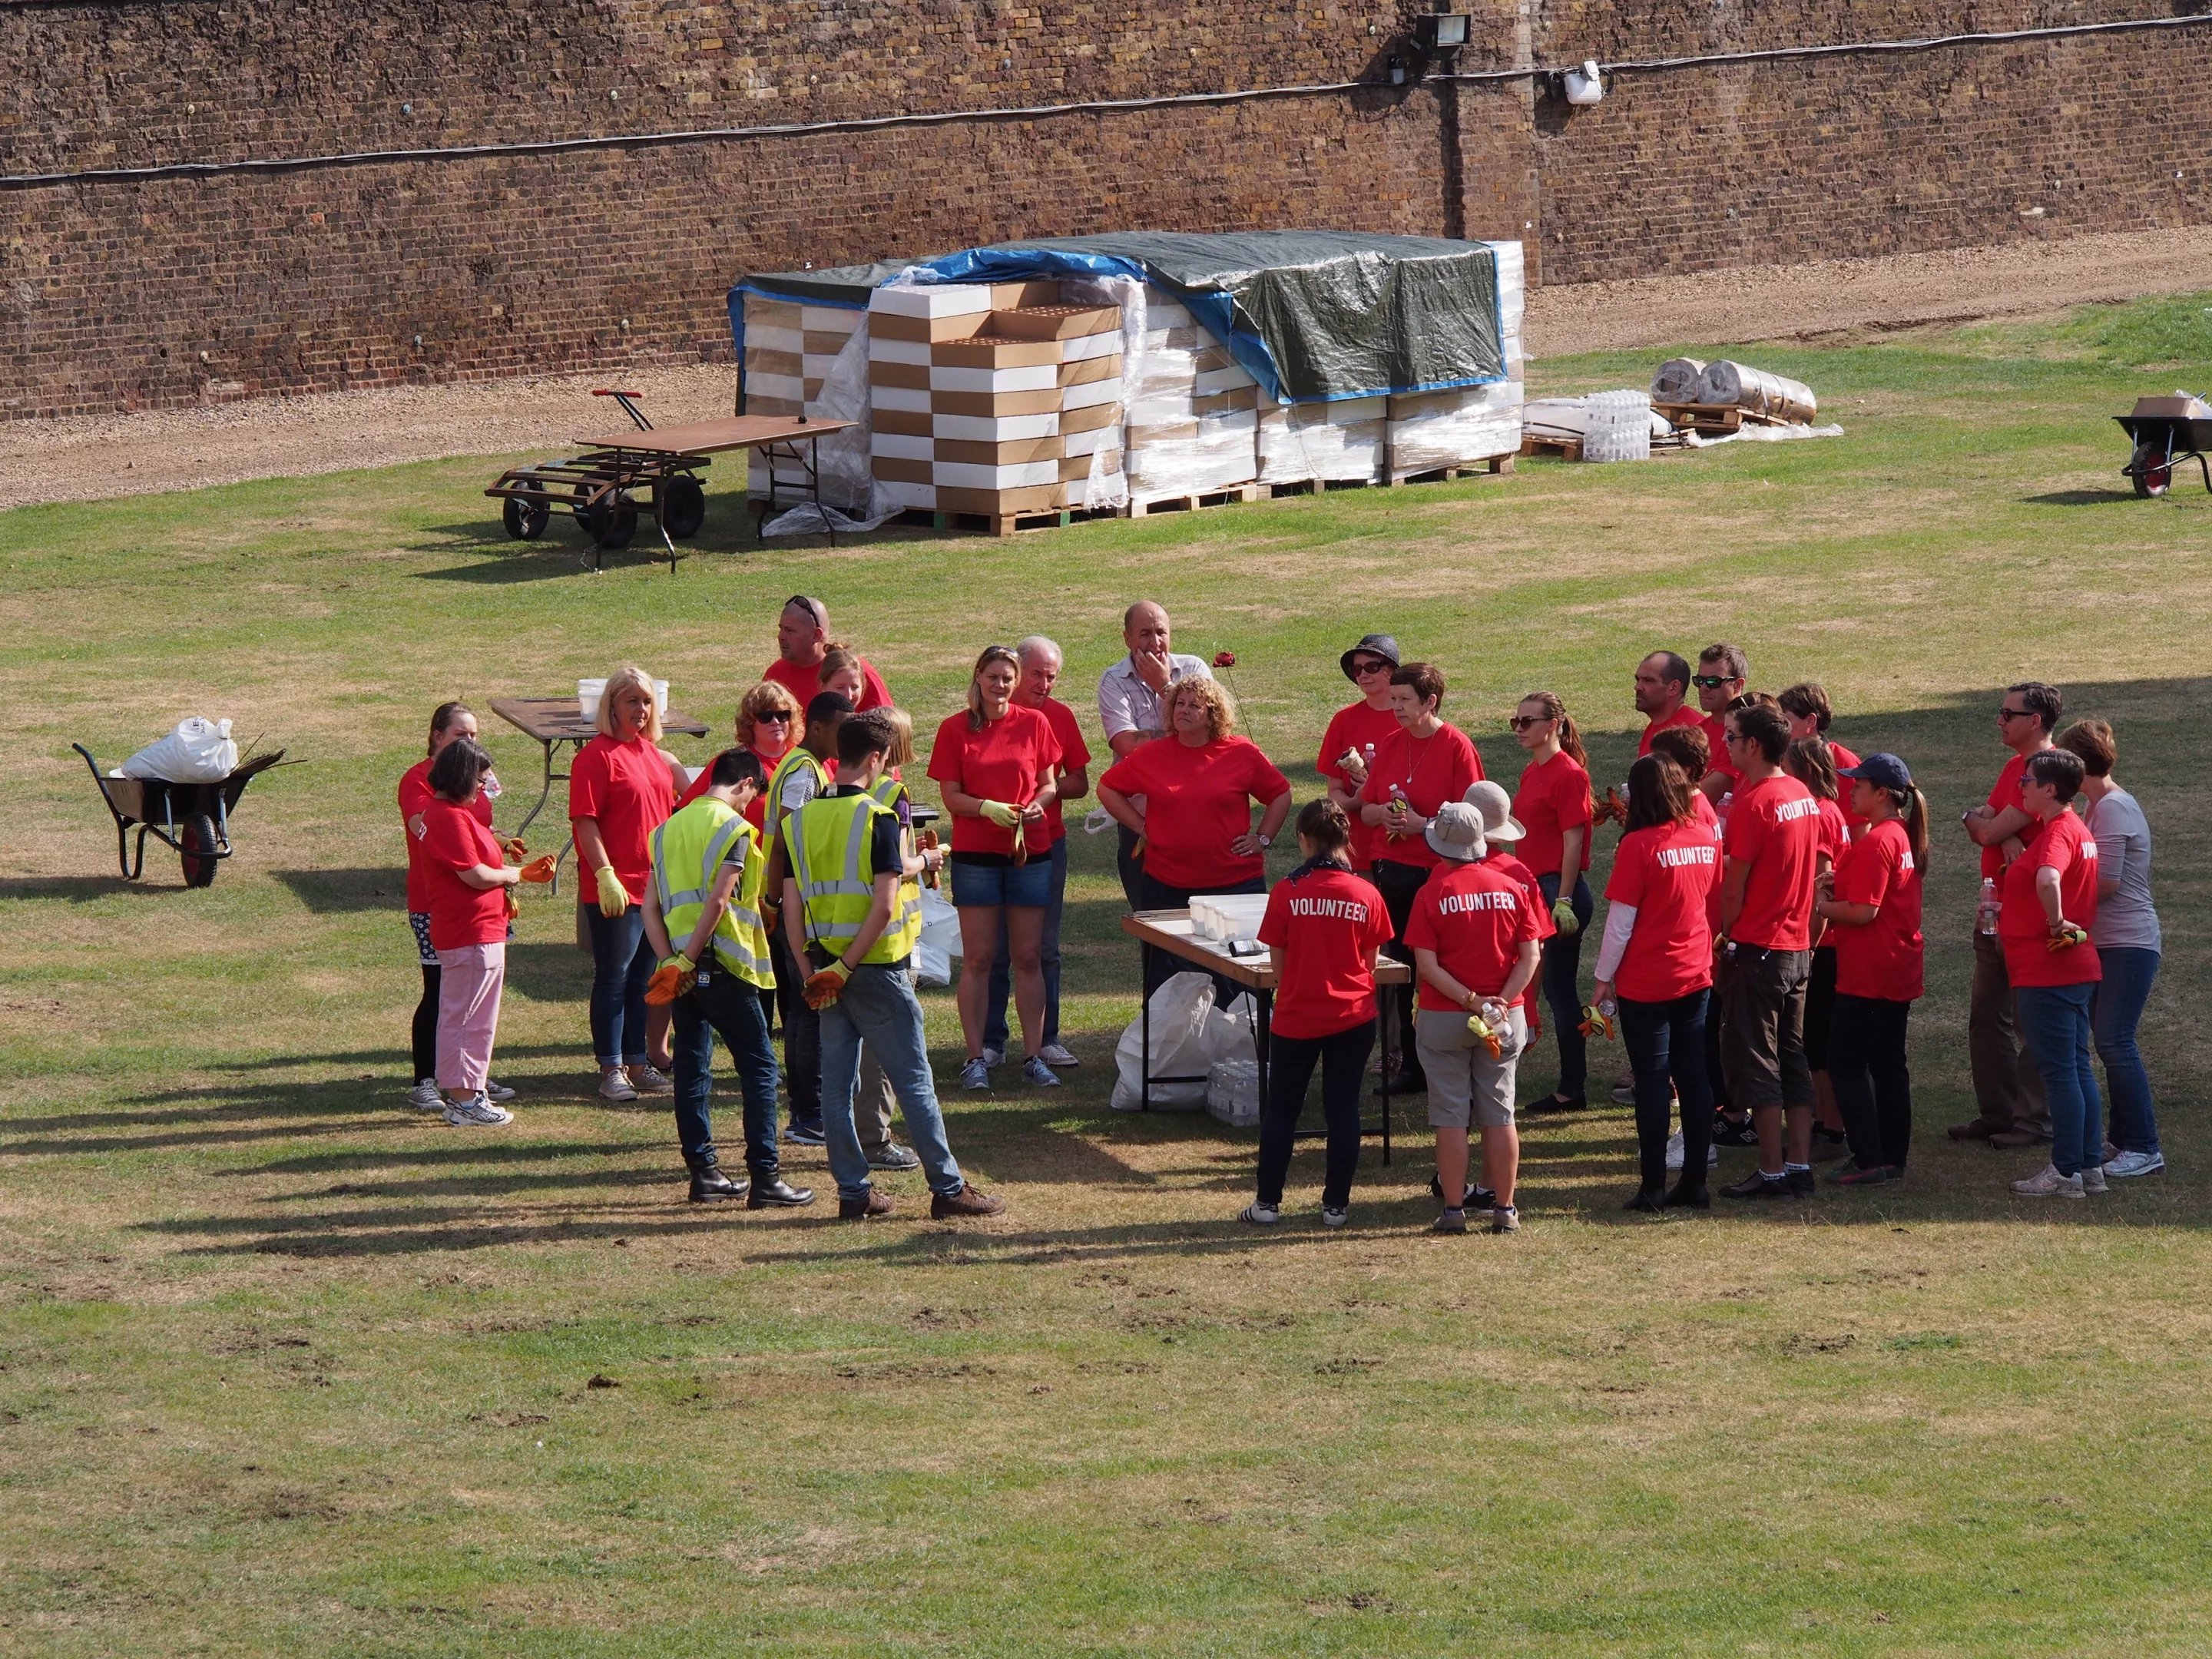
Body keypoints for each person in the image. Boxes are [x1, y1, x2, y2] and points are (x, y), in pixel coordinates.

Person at [783, 714, 1002, 1221]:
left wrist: (814, 971)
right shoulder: (878, 818)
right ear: (878, 759)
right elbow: (883, 906)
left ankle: (854, 1192)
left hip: (823, 970)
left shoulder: (798, 822)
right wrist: (848, 966)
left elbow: (790, 906)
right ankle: (948, 1188)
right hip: (876, 967)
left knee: (837, 1088)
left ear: (839, 754)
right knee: (914, 1082)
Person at [641, 747, 815, 1209]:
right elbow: (718, 902)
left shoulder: (664, 831)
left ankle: (705, 1174)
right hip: (725, 967)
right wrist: (693, 958)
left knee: (692, 1069)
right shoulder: (735, 829)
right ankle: (766, 1178)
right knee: (759, 1068)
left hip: (682, 969)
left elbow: (650, 908)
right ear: (744, 785)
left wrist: (672, 963)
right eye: (750, 796)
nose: (747, 806)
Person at [1240, 800, 1393, 1228]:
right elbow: (1371, 963)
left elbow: (1277, 964)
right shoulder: (1367, 893)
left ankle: (1267, 1205)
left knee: (1282, 1111)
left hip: (1296, 1016)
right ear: (1346, 839)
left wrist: (1298, 989)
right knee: (1343, 1109)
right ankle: (1336, 1208)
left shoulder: (1287, 892)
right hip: (1353, 1016)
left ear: (1303, 840)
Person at [1098, 676, 1293, 994]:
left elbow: (1280, 794)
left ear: (1212, 714)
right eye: (1179, 704)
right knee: (1169, 980)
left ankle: (1243, 1040)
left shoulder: (1241, 752)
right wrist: (1141, 826)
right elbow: (1107, 788)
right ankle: (1175, 1041)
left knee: (1242, 977)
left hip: (1235, 887)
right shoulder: (1153, 754)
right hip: (1168, 885)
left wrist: (1263, 839)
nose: (1183, 710)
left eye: (1193, 705)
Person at [929, 645, 1064, 1091]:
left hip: (1029, 851)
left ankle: (1034, 1055)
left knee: (1028, 957)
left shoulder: (1036, 723)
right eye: (993, 676)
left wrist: (1036, 807)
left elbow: (1049, 784)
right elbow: (951, 796)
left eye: (1008, 677)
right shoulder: (955, 729)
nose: (1001, 685)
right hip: (976, 856)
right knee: (979, 958)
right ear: (978, 677)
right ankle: (975, 1058)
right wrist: (986, 808)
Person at [1591, 753, 1720, 1210]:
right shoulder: (1707, 834)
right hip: (1696, 971)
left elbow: (1620, 923)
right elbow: (1710, 898)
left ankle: (1651, 1187)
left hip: (1647, 979)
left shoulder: (1639, 846)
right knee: (1694, 1076)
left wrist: (1603, 979)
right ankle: (1696, 1181)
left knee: (1652, 1081)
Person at [1405, 803, 1541, 1235]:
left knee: (1450, 1116)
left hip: (1446, 1016)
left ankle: (1453, 1211)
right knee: (1500, 1113)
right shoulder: (1512, 887)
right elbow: (1531, 955)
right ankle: (1505, 1209)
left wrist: (1471, 1000)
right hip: (1504, 1017)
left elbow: (1426, 967)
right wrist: (1499, 1000)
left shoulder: (1431, 893)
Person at [1353, 663, 1485, 1096]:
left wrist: (1423, 824)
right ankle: (1410, 1065)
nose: (1396, 708)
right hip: (1391, 869)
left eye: (1405, 700)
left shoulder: (1456, 746)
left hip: (1438, 874)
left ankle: (1450, 1060)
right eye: (1394, 700)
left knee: (1439, 970)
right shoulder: (1392, 744)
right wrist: (1389, 816)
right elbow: (1368, 808)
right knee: (1402, 970)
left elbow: (1472, 822)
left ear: (1431, 701)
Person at [1715, 701, 1823, 1200]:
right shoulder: (1800, 792)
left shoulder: (1753, 803)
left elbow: (1733, 886)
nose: (1726, 744)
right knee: (1794, 1056)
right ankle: (1799, 1164)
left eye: (1732, 737)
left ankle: (1772, 1170)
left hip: (1759, 947)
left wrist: (1723, 933)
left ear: (1753, 745)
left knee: (1759, 1059)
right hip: (1797, 946)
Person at [1956, 681, 2062, 1147]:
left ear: (2035, 721)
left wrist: (1988, 828)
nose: (2000, 721)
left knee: (2028, 1020)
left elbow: (1985, 826)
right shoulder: (2012, 767)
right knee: (1986, 1017)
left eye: (2008, 714)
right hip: (1992, 909)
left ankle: (2034, 1119)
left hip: (2025, 918)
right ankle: (1998, 1113)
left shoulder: (2048, 770)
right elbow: (1985, 820)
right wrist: (1993, 830)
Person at [399, 702, 518, 1113]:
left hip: (478, 904)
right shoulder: (419, 783)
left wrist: (497, 843)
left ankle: (469, 1077)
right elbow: (435, 834)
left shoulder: (470, 782)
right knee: (444, 996)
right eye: (460, 735)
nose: (469, 742)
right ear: (437, 736)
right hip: (437, 902)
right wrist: (508, 873)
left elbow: (477, 825)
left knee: (468, 999)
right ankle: (429, 1080)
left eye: (473, 735)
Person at [571, 665, 682, 1104]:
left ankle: (638, 1062)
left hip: (654, 885)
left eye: (647, 701)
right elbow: (585, 820)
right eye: (631, 700)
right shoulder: (595, 756)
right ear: (612, 705)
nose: (640, 709)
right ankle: (611, 1067)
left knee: (643, 978)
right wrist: (604, 874)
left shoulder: (652, 754)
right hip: (616, 887)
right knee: (614, 977)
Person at [2057, 719, 2163, 1177]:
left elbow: (2106, 883)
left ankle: (2144, 1146)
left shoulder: (2114, 809)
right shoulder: (2097, 807)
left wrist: (2052, 894)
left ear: (2078, 766)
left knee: (2116, 1042)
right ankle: (2122, 1140)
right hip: (2108, 942)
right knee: (2108, 1042)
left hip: (2129, 943)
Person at [1816, 753, 1927, 1186]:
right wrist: (1838, 884)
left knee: (1845, 1063)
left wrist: (1822, 904)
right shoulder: (1898, 835)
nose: (1851, 790)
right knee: (1888, 1065)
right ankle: (1889, 1157)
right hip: (1895, 967)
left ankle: (1869, 1158)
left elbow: (1864, 911)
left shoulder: (1878, 840)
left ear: (1881, 794)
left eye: (1859, 785)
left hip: (1871, 972)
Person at [982, 635, 1090, 1072]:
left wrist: (1041, 791)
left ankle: (1047, 1039)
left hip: (1047, 841)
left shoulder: (1058, 717)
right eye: (1038, 674)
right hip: (991, 845)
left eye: (1052, 676)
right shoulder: (984, 717)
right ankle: (992, 1041)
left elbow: (1080, 782)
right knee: (993, 951)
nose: (1045, 683)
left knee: (1044, 947)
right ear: (1015, 671)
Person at [2002, 749, 2104, 1199]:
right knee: (2077, 1068)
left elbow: (2048, 879)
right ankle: (2088, 1166)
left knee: (2061, 1073)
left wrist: (2056, 920)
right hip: (2073, 966)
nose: (2021, 786)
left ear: (2050, 788)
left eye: (2028, 780)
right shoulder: (2076, 828)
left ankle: (2065, 1171)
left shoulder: (2059, 832)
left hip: (2048, 969)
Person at [675, 678, 804, 1032]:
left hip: (795, 887)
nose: (777, 722)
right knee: (757, 972)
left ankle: (799, 1056)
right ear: (750, 723)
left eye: (784, 714)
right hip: (745, 889)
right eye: (767, 716)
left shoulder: (806, 764)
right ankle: (760, 1044)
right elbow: (691, 812)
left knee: (796, 977)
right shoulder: (734, 764)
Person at [760, 690, 853, 1144]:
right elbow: (785, 843)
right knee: (808, 1011)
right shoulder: (802, 774)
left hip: (789, 903)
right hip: (793, 907)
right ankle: (809, 1114)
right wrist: (777, 903)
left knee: (801, 1009)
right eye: (840, 729)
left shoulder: (806, 767)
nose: (846, 739)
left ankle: (804, 1113)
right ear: (817, 728)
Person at [1646, 724, 1740, 1156]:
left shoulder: (1693, 811)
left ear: (1683, 768)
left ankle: (1699, 1140)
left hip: (1696, 945)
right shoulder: (1697, 805)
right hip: (1705, 941)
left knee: (1695, 1055)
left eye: (1659, 763)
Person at [1508, 690, 1594, 1111]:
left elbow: (1573, 840)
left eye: (1529, 721)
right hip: (1539, 889)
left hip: (1557, 891)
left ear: (1554, 724)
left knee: (1560, 993)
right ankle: (1571, 1084)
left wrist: (1562, 898)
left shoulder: (1569, 774)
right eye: (1517, 722)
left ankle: (1572, 1088)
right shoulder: (1533, 771)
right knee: (1556, 991)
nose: (1521, 729)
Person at [1097, 601, 1214, 909]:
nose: (1156, 642)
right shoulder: (1113, 680)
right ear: (1127, 639)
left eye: (1161, 632)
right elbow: (1125, 744)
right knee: (1150, 923)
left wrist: (1165, 687)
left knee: (1200, 917)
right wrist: (1185, 739)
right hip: (1140, 820)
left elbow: (1212, 733)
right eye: (1145, 634)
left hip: (1196, 819)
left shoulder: (1194, 670)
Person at [1783, 735, 1849, 1154]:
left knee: (1818, 1042)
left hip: (1825, 943)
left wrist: (1808, 945)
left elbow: (1821, 886)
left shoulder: (1821, 814)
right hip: (1828, 940)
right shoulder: (1831, 809)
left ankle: (1830, 1128)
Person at [1464, 780, 1552, 1075]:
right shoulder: (1520, 873)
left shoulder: (1446, 874)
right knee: (1501, 1095)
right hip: (1509, 1002)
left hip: (1458, 1001)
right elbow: (1536, 946)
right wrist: (1529, 1007)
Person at [1318, 633, 1405, 875]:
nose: (1363, 674)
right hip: (1355, 851)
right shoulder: (1343, 721)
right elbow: (1334, 790)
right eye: (1357, 669)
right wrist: (1356, 801)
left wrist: (1374, 790)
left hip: (1403, 849)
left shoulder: (1409, 719)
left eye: (1372, 666)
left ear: (1392, 670)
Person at [762, 595, 890, 712]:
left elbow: (891, 729)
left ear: (816, 635)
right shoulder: (775, 675)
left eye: (790, 630)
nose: (781, 636)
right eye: (781, 628)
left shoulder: (855, 672)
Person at [1780, 682, 1865, 835]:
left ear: (1810, 721)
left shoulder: (1843, 762)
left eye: (1786, 722)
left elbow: (1860, 828)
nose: (1781, 730)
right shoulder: (1783, 759)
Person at [1690, 644, 1749, 803]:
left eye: (1713, 682)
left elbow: (1709, 794)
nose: (1703, 688)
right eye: (1699, 680)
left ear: (1737, 685)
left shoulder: (1746, 734)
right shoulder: (1699, 730)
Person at [1634, 651, 1705, 757]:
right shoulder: (1655, 726)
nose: (1638, 687)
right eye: (1638, 680)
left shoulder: (1690, 734)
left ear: (1673, 688)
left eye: (1648, 680)